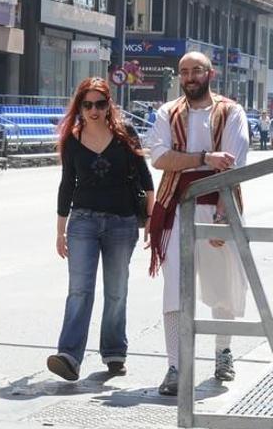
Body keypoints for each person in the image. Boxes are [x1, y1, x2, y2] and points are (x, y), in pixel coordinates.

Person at [145, 52, 249, 396]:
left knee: (222, 286)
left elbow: (234, 164)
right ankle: (175, 366)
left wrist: (222, 211)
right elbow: (159, 157)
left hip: (217, 205)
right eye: (184, 71)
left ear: (210, 73)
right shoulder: (167, 112)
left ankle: (223, 353)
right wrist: (204, 158)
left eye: (196, 71)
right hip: (177, 207)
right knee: (175, 286)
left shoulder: (231, 111)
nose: (189, 77)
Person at [46, 77, 155, 382]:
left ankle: (114, 351)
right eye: (87, 104)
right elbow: (67, 185)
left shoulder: (125, 135)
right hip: (83, 221)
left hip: (121, 222)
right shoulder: (72, 139)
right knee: (79, 291)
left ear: (109, 105)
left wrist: (152, 219)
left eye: (100, 104)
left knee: (117, 290)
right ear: (79, 107)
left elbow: (145, 178)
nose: (94, 110)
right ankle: (69, 355)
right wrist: (60, 230)